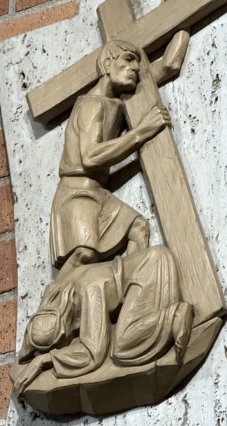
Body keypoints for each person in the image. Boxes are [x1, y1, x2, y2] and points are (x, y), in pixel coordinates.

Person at [49, 34, 189, 279]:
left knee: (138, 228)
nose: (135, 67)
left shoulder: (118, 103)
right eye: (128, 60)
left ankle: (131, 291)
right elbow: (91, 157)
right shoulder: (92, 105)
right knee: (84, 254)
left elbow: (168, 66)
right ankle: (56, 296)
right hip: (77, 193)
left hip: (98, 191)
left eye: (137, 63)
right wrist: (142, 131)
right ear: (107, 65)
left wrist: (184, 22)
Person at [12, 245, 193, 397]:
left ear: (66, 327)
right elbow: (81, 254)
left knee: (122, 347)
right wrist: (26, 355)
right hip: (152, 259)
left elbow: (94, 352)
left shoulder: (89, 291)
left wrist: (44, 360)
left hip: (150, 270)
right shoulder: (60, 285)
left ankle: (174, 316)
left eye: (61, 343)